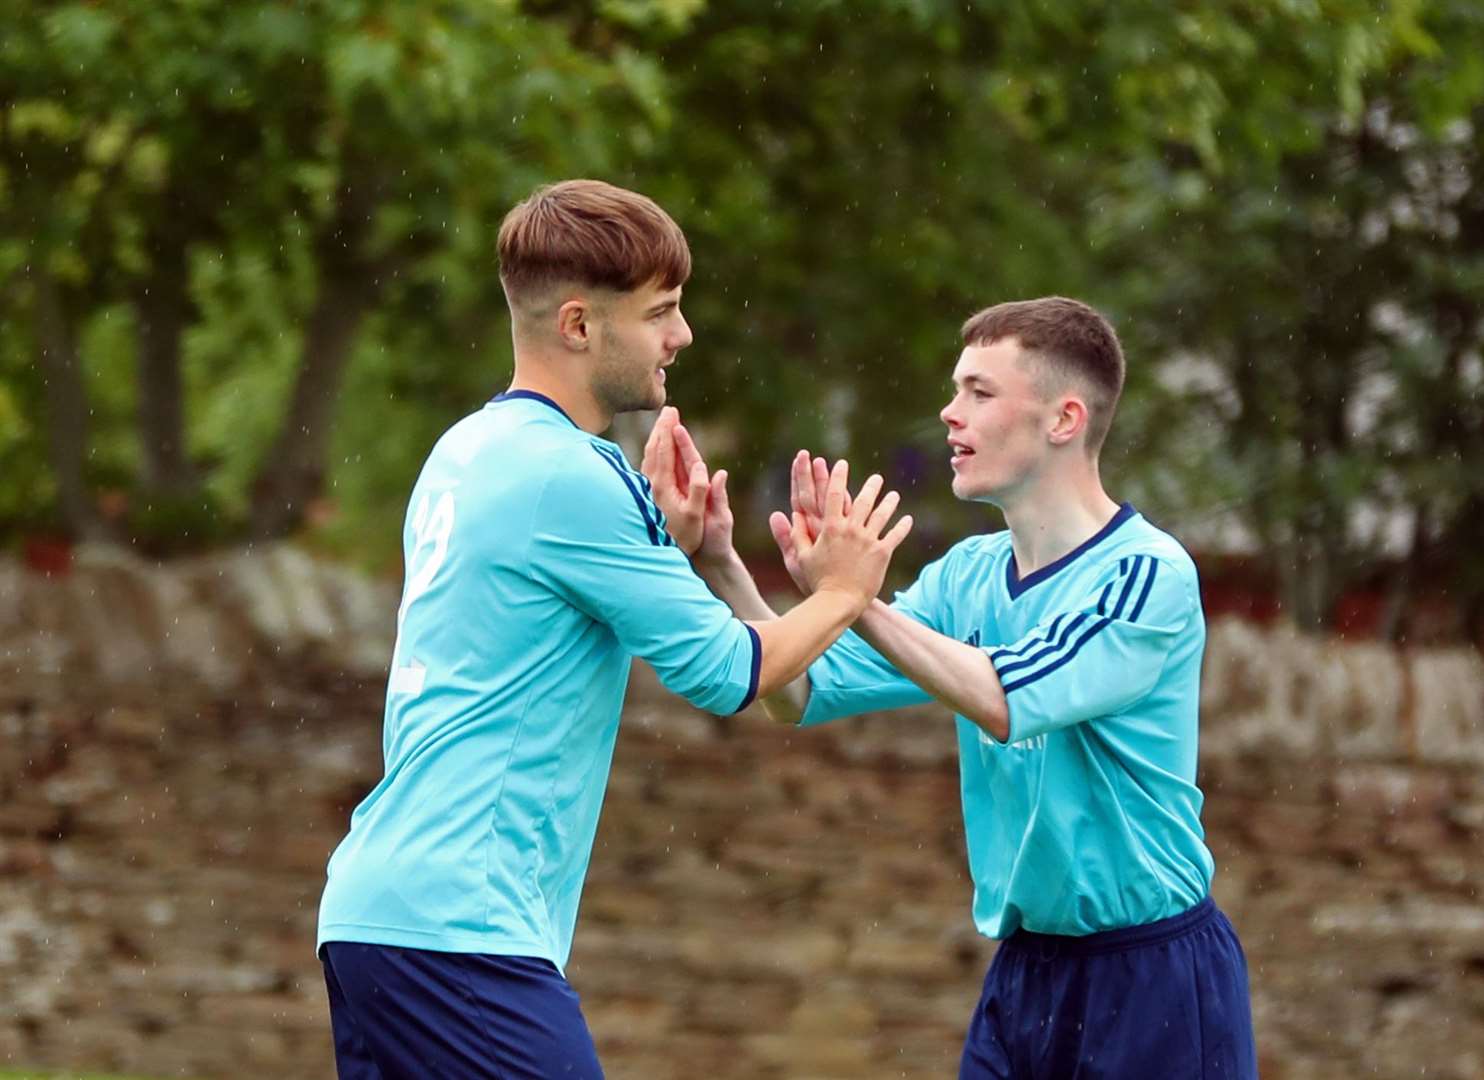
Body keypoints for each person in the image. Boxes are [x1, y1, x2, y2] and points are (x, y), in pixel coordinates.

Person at [314, 179, 912, 1080]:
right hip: (461, 933)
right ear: (581, 326)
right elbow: (728, 673)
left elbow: (541, 615)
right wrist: (843, 590)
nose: (683, 336)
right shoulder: (571, 477)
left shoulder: (468, 450)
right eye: (662, 312)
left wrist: (677, 548)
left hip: (379, 918)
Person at [646, 297, 1257, 1078]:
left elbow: (1006, 697)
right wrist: (722, 562)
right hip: (1025, 975)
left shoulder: (1148, 575)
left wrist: (852, 598)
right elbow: (797, 693)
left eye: (979, 391)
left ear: (1064, 419)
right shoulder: (966, 576)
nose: (949, 412)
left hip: (1154, 977)